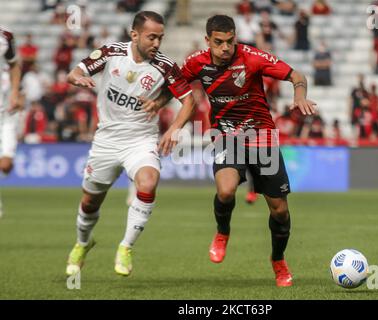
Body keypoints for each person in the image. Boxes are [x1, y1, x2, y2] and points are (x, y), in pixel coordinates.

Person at [147, 15, 316, 287]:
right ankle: (222, 232)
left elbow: (297, 75)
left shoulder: (252, 58)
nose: (225, 48)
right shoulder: (196, 62)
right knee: (225, 191)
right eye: (218, 42)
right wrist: (158, 103)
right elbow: (175, 87)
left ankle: (278, 259)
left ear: (235, 38)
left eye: (229, 41)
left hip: (261, 138)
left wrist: (299, 95)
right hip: (227, 138)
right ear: (208, 41)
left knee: (280, 212)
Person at [64, 11, 195, 277]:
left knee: (148, 182)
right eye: (151, 37)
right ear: (134, 34)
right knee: (90, 202)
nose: (157, 43)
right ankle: (82, 243)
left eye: (160, 38)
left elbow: (189, 101)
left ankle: (125, 246)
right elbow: (73, 73)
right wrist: (79, 78)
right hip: (106, 140)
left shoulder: (165, 66)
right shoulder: (111, 52)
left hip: (140, 139)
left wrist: (174, 128)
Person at [0, 27, 22, 218]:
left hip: (4, 113)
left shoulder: (5, 36)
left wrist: (15, 92)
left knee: (6, 165)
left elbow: (14, 65)